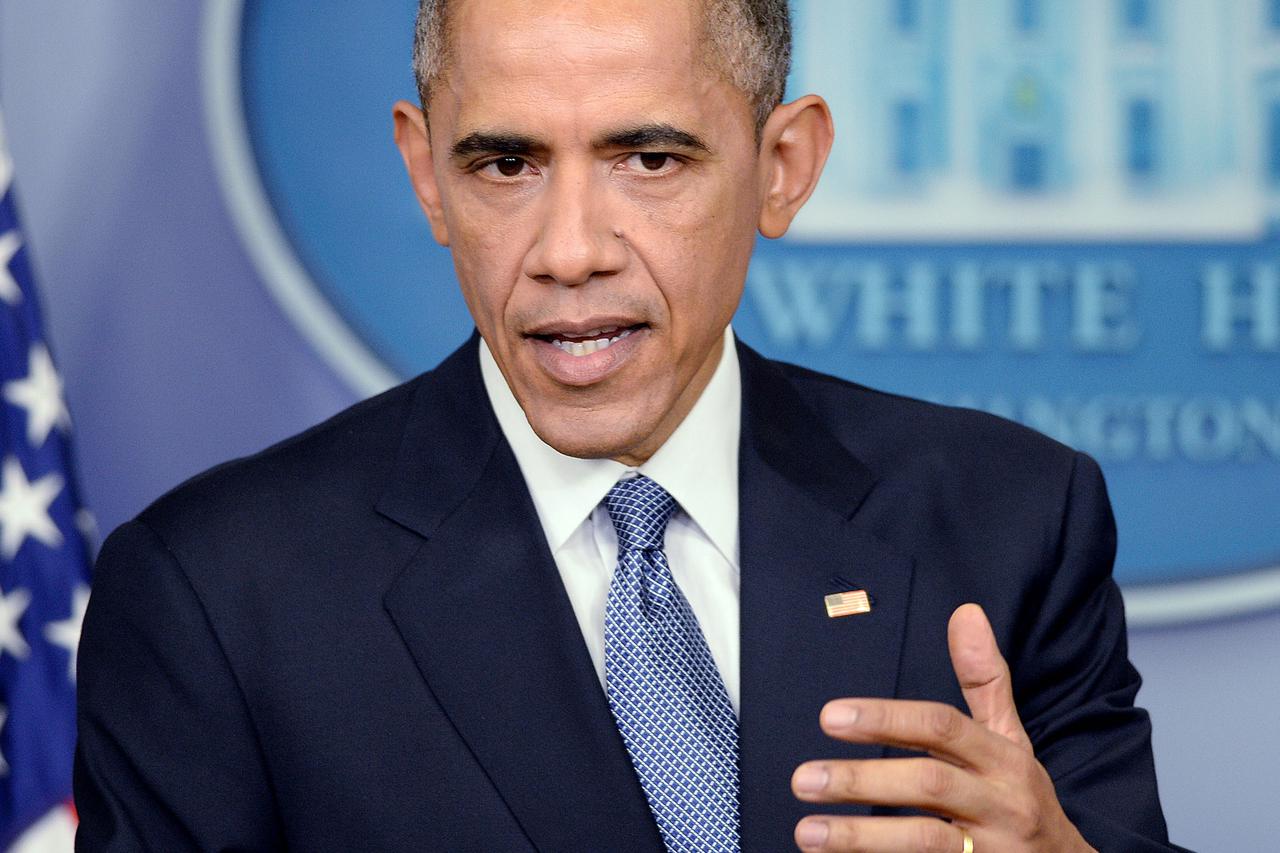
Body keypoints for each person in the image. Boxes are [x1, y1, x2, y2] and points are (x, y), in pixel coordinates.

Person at [74, 1, 1183, 850]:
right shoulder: (214, 592)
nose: (568, 250)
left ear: (781, 166)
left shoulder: (1007, 522)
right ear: (424, 172)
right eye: (505, 164)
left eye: (646, 160)